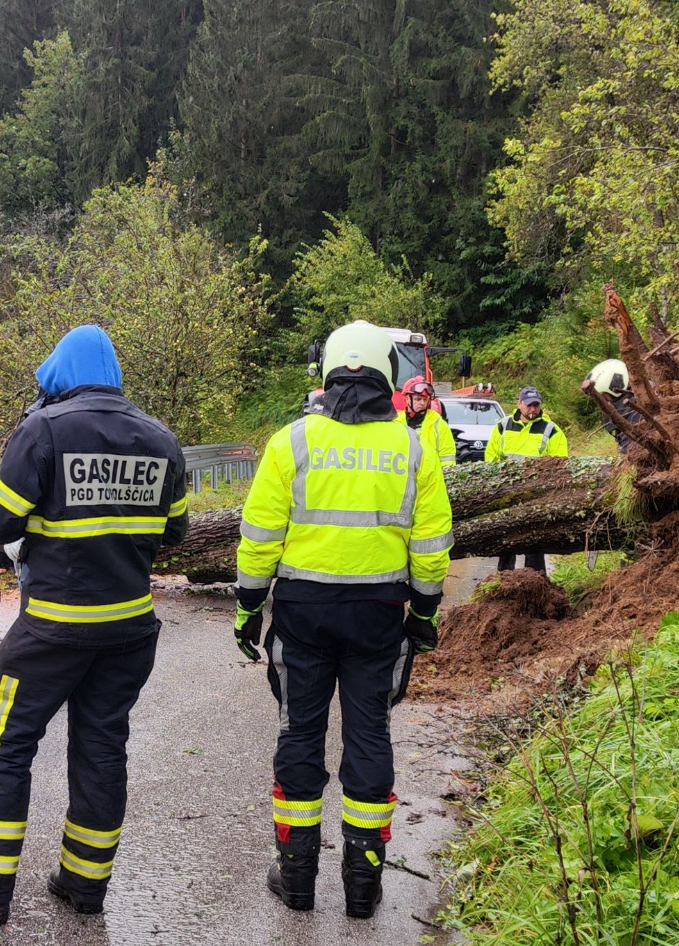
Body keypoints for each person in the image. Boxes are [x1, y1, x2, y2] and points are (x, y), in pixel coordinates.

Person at [0, 324, 188, 926]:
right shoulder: (160, 439)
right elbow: (174, 532)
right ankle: (84, 883)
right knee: (101, 747)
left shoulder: (43, 429)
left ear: (58, 379)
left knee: (0, 743)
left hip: (53, 628)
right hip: (129, 628)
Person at [233, 320, 454, 919]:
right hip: (380, 614)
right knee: (369, 735)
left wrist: (249, 607)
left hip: (302, 612)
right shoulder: (412, 447)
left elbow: (259, 539)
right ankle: (364, 885)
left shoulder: (291, 442)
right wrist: (425, 612)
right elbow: (431, 545)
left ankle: (298, 876)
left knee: (299, 732)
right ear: (389, 373)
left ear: (327, 370)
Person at [483, 385, 568, 573]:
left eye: (536, 405)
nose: (532, 409)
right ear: (519, 404)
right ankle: (504, 581)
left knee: (534, 540)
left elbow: (560, 465)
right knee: (506, 540)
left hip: (536, 495)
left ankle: (536, 582)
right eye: (529, 405)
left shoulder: (551, 431)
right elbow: (490, 458)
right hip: (506, 493)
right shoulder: (503, 426)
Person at [582, 358, 641, 449]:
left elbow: (629, 451)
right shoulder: (627, 406)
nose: (602, 403)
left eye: (604, 397)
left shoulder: (635, 413)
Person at [401, 376, 457, 467]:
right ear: (407, 399)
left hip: (430, 479)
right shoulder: (396, 422)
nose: (422, 403)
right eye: (418, 399)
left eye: (425, 399)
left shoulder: (439, 424)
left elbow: (447, 457)